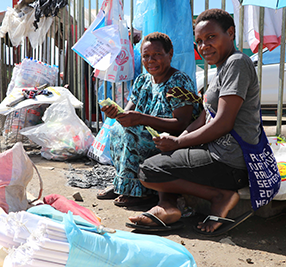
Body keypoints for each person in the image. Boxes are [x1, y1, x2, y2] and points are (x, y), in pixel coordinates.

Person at [127, 9, 260, 235]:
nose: (204, 46)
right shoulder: (223, 68)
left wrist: (179, 144)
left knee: (149, 171)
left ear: (231, 33)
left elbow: (223, 123)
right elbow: (203, 117)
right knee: (158, 159)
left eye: (211, 37)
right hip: (216, 153)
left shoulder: (237, 63)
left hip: (229, 162)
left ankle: (220, 196)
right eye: (198, 41)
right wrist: (178, 139)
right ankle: (168, 207)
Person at [97, 32, 200, 207]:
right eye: (146, 56)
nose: (150, 60)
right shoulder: (142, 81)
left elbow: (181, 124)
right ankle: (123, 184)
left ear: (170, 53)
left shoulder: (179, 81)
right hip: (145, 132)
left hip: (169, 140)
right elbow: (127, 113)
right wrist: (115, 114)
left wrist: (141, 119)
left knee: (132, 132)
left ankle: (141, 192)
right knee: (116, 129)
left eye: (157, 55)